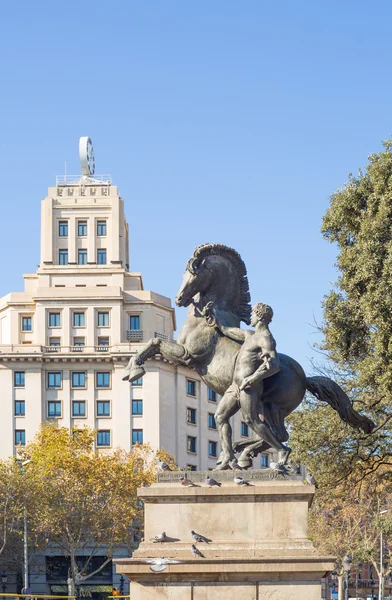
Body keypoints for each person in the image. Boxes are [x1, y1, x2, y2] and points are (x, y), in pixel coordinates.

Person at [213, 302, 291, 469]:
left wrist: (254, 378)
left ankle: (281, 449)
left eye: (253, 313)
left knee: (251, 420)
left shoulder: (266, 338)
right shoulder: (249, 335)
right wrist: (215, 319)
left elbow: (275, 364)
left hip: (249, 386)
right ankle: (228, 456)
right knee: (219, 417)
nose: (250, 316)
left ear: (260, 316)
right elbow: (227, 331)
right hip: (235, 385)